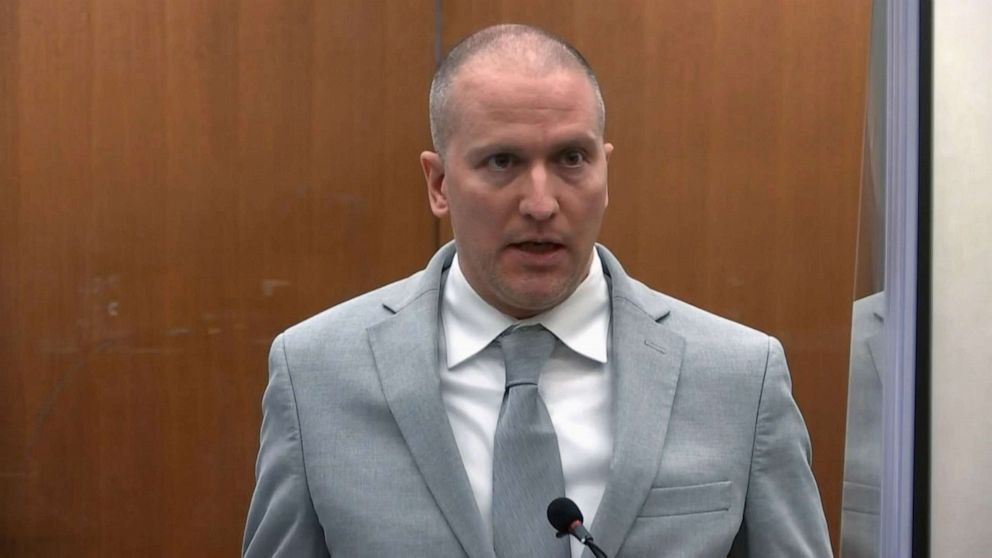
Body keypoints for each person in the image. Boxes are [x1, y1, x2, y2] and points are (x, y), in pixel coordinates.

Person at [243, 24, 832, 557]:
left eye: (571, 158)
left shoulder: (739, 376)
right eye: (502, 162)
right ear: (440, 183)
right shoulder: (315, 374)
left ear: (604, 173)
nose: (542, 204)